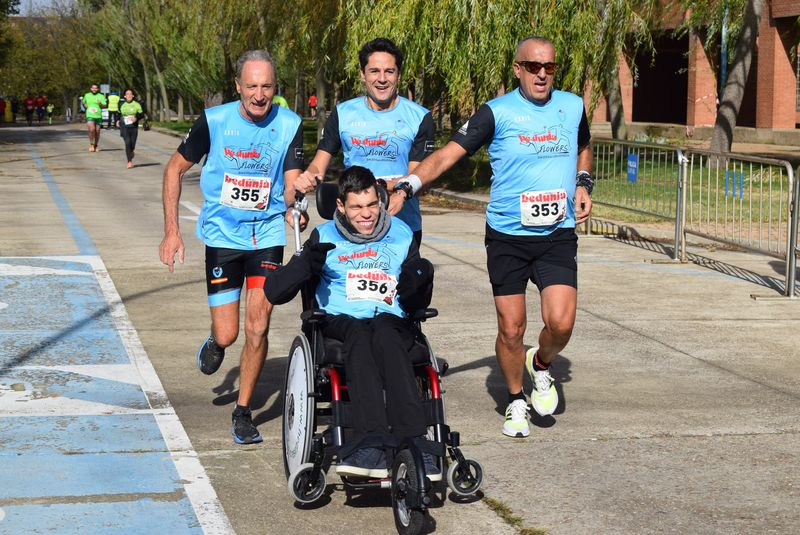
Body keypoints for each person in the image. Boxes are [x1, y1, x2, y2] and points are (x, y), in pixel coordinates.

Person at [389, 36, 594, 438]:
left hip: (556, 234)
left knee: (562, 323)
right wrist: (407, 186)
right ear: (517, 69)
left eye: (549, 67)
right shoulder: (495, 113)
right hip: (507, 236)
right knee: (512, 328)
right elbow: (449, 154)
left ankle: (542, 365)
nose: (541, 74)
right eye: (533, 67)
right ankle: (516, 399)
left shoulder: (572, 106)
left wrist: (583, 181)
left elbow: (583, 146)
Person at [159, 49, 305, 445]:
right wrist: (172, 231)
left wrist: (296, 208)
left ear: (276, 88)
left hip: (267, 236)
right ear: (238, 86)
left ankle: (243, 413)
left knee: (258, 326)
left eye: (267, 87)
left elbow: (291, 181)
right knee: (229, 334)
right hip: (223, 237)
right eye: (252, 86)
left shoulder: (289, 123)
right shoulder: (215, 120)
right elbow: (174, 169)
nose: (259, 95)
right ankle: (216, 341)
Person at [264, 166, 438, 479]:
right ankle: (369, 442)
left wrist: (420, 280)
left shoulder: (401, 234)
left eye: (372, 205)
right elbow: (275, 291)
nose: (366, 214)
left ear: (381, 201)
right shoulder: (324, 236)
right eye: (357, 207)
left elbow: (416, 296)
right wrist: (305, 264)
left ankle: (414, 442)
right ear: (341, 206)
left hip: (391, 318)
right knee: (359, 335)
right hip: (340, 320)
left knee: (385, 333)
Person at [294, 38, 434, 246]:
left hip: (401, 227)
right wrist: (308, 176)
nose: (382, 79)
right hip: (353, 226)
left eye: (389, 71)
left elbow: (420, 180)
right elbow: (318, 164)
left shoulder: (420, 117)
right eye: (374, 71)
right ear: (362, 74)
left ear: (399, 75)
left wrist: (374, 186)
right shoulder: (343, 113)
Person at [117, 88, 144, 168]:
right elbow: (118, 113)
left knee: (132, 144)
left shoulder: (137, 104)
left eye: (130, 94)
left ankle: (131, 151)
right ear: (125, 96)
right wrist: (117, 120)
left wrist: (136, 118)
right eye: (127, 94)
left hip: (133, 126)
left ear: (133, 95)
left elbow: (141, 114)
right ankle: (129, 161)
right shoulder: (121, 104)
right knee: (127, 142)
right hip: (124, 125)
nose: (129, 95)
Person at [83, 84, 107, 151]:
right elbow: (83, 102)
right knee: (91, 129)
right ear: (91, 89)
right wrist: (86, 106)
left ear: (98, 89)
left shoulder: (101, 96)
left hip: (98, 115)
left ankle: (96, 145)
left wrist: (100, 104)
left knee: (97, 131)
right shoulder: (87, 95)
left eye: (96, 88)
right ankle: (91, 144)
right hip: (90, 115)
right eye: (93, 88)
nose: (94, 89)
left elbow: (105, 106)